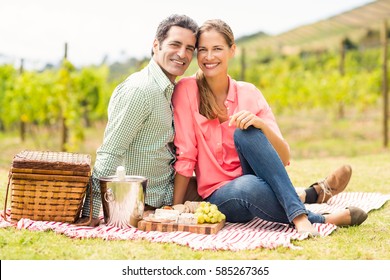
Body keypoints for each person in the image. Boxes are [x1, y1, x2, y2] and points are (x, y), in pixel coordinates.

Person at [172, 19, 367, 236]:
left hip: (259, 180)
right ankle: (316, 211)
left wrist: (261, 125)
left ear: (232, 50)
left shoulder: (250, 93)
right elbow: (186, 154)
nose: (209, 57)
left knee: (247, 133)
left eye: (217, 49)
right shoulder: (187, 90)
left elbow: (283, 157)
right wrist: (174, 208)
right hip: (221, 195)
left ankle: (306, 205)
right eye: (203, 50)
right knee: (248, 185)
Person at [77, 14, 199, 226]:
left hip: (167, 193)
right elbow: (111, 152)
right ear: (156, 45)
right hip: (144, 202)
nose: (183, 54)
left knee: (225, 191)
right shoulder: (140, 91)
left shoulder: (170, 90)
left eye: (189, 48)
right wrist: (91, 213)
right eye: (175, 44)